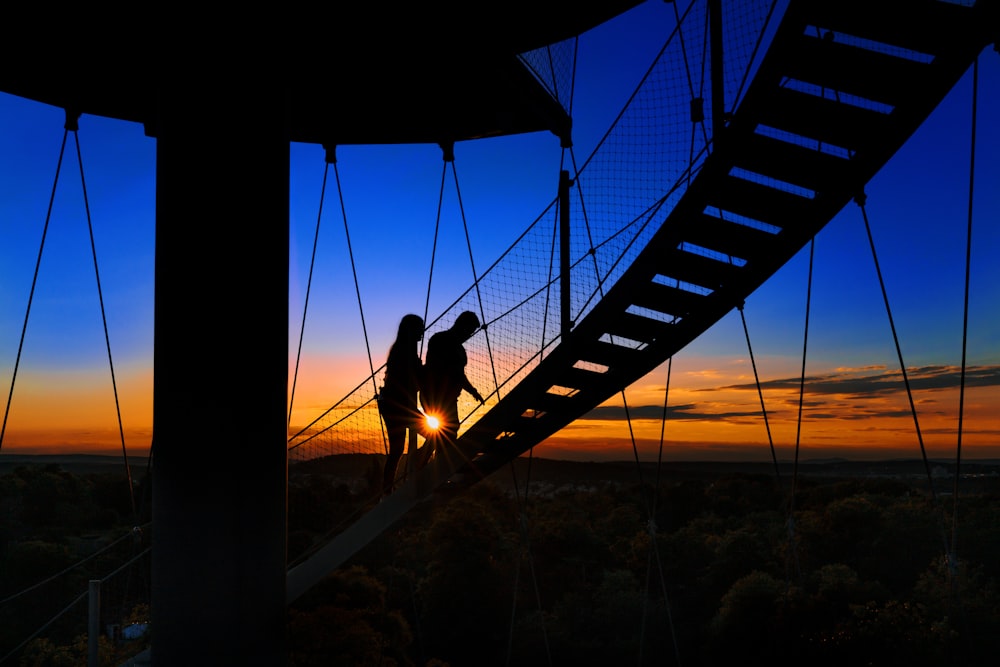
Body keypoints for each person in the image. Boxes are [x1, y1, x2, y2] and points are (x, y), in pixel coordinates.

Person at [419, 310, 484, 466]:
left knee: (447, 431)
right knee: (449, 430)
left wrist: (473, 391)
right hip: (434, 395)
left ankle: (426, 461)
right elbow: (437, 368)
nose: (469, 335)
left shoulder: (452, 346)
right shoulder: (441, 341)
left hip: (445, 397)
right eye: (470, 331)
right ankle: (430, 462)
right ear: (462, 326)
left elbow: (459, 376)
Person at [377, 314, 425, 496]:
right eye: (420, 328)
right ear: (411, 330)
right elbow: (410, 380)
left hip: (392, 404)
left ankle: (387, 489)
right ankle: (420, 464)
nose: (422, 331)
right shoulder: (405, 352)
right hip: (399, 406)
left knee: (397, 450)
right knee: (435, 435)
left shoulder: (400, 350)